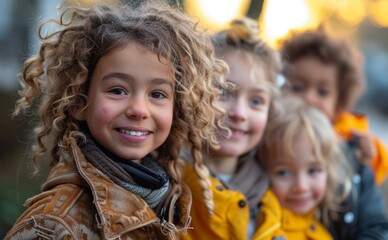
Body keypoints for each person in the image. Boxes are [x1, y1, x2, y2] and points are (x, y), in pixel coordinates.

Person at [5, 1, 228, 239]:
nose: (139, 110)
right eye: (118, 90)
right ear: (78, 102)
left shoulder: (173, 206)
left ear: (177, 109)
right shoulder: (52, 224)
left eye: (157, 94)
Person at [280, 29, 388, 240]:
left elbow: (375, 225)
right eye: (298, 87)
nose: (310, 98)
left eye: (323, 92)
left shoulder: (351, 154)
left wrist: (370, 151)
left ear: (339, 103)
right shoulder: (266, 143)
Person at [180, 17, 283, 240]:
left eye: (256, 101)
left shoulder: (273, 191)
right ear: (194, 94)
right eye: (223, 93)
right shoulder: (170, 185)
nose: (239, 113)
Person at [258, 97, 352, 240]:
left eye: (313, 170)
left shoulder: (322, 227)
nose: (301, 186)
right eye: (283, 172)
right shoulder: (267, 228)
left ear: (328, 170)